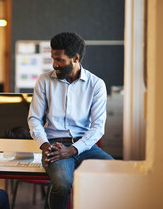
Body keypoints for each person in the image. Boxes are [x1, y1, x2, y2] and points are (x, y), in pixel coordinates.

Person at [27, 32, 113, 209]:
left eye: (60, 60)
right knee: (62, 185)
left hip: (85, 146)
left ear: (76, 58)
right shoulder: (44, 81)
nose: (54, 64)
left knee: (116, 172)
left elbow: (98, 127)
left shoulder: (96, 85)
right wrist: (46, 146)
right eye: (53, 58)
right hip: (55, 146)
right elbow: (34, 118)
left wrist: (73, 149)